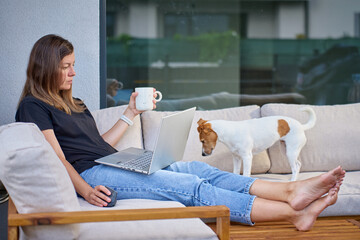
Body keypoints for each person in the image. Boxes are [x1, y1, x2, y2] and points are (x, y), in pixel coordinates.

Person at [16, 34, 345, 231]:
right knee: (190, 187)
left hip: (115, 161)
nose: (74, 72)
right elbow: (57, 158)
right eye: (66, 67)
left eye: (73, 64)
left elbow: (99, 145)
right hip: (91, 175)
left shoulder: (74, 103)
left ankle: (290, 192)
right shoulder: (33, 106)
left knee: (200, 168)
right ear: (46, 67)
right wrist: (86, 191)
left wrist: (130, 113)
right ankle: (294, 213)